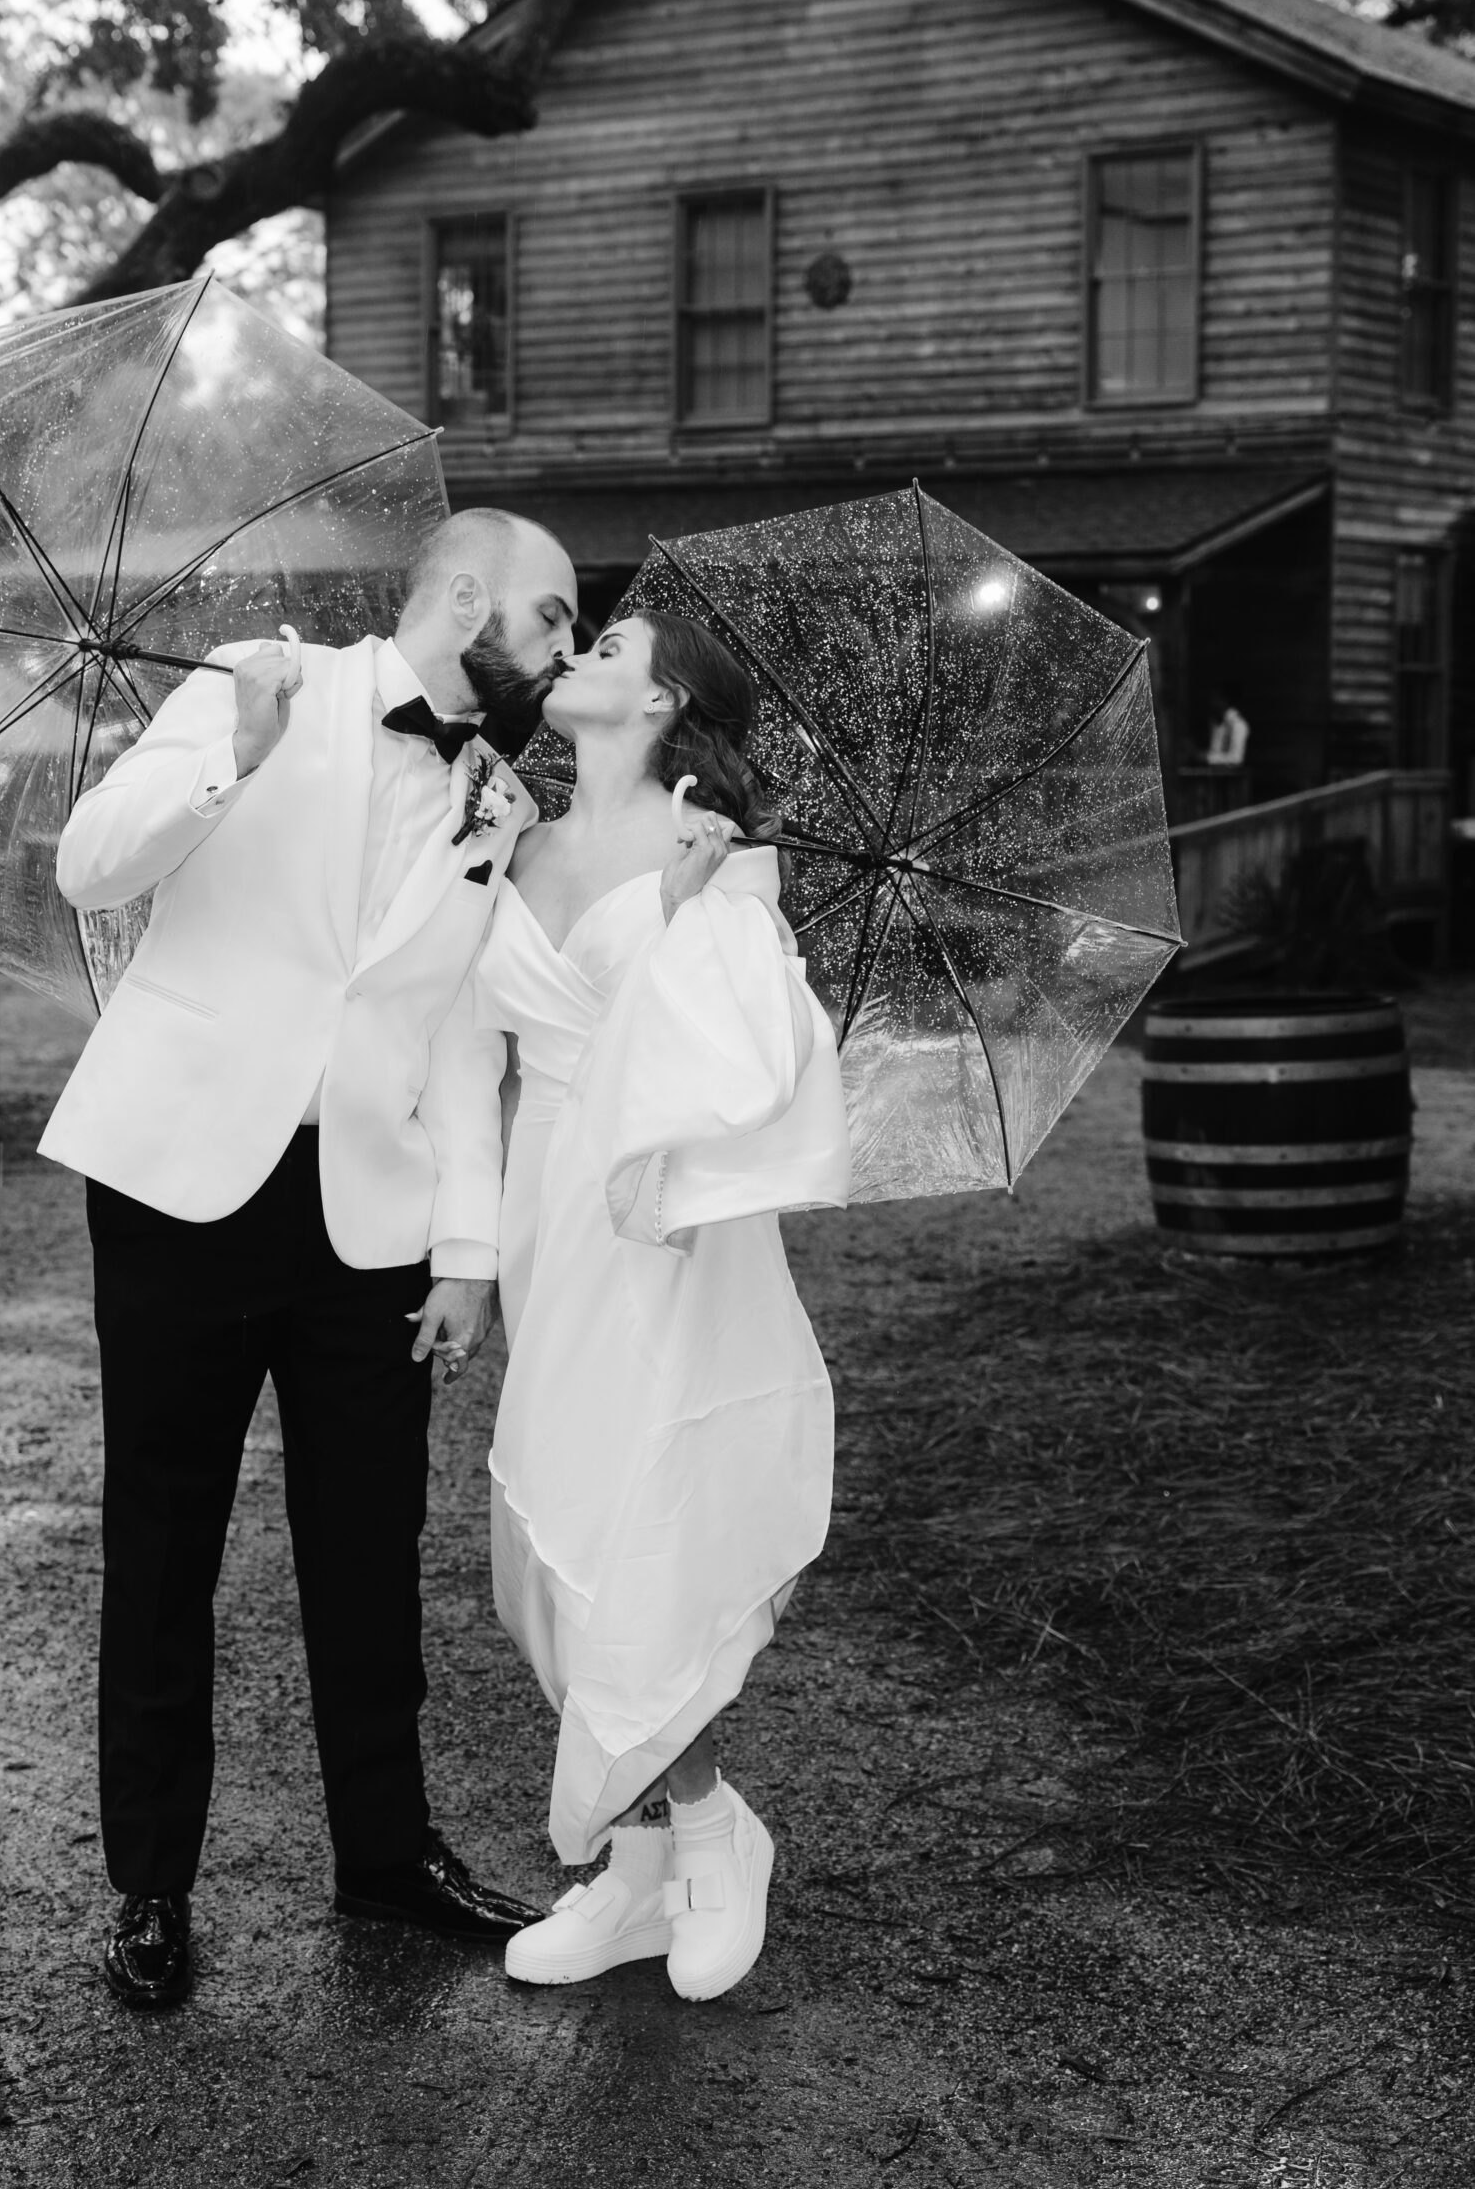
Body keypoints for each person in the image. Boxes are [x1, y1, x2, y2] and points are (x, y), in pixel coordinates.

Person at [38, 508, 578, 2012]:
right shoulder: (252, 682)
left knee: (369, 1545)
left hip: (371, 1224)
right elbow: (89, 867)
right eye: (551, 615)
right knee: (165, 1541)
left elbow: (462, 1043)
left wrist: (466, 1251)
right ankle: (152, 1883)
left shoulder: (497, 804)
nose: (568, 647)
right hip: (181, 1187)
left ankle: (387, 1856)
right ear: (462, 596)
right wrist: (234, 756)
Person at [474, 610, 850, 2003]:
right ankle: (636, 1865)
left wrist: (699, 918)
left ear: (663, 698)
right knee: (555, 1529)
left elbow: (769, 1052)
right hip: (542, 1210)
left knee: (640, 1521)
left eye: (614, 640)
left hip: (660, 1224)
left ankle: (705, 1841)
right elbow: (472, 1049)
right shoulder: (515, 839)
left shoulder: (711, 846)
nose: (579, 644)